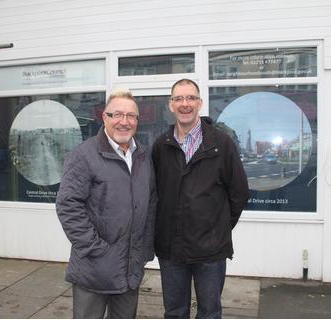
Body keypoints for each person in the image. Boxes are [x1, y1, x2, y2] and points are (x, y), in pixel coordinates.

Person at [152, 79, 249, 319]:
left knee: (209, 313)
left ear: (200, 103)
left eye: (191, 98)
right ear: (170, 105)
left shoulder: (221, 143)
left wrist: (219, 228)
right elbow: (154, 194)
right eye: (179, 99)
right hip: (171, 250)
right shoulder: (160, 146)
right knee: (174, 313)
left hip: (210, 252)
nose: (185, 104)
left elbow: (239, 192)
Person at [56, 89, 157, 319]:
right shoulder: (84, 155)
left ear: (137, 121)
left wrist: (144, 250)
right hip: (94, 269)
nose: (124, 122)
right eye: (117, 115)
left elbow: (151, 205)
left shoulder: (143, 156)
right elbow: (68, 205)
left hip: (130, 269)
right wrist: (95, 249)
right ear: (105, 117)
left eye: (131, 116)